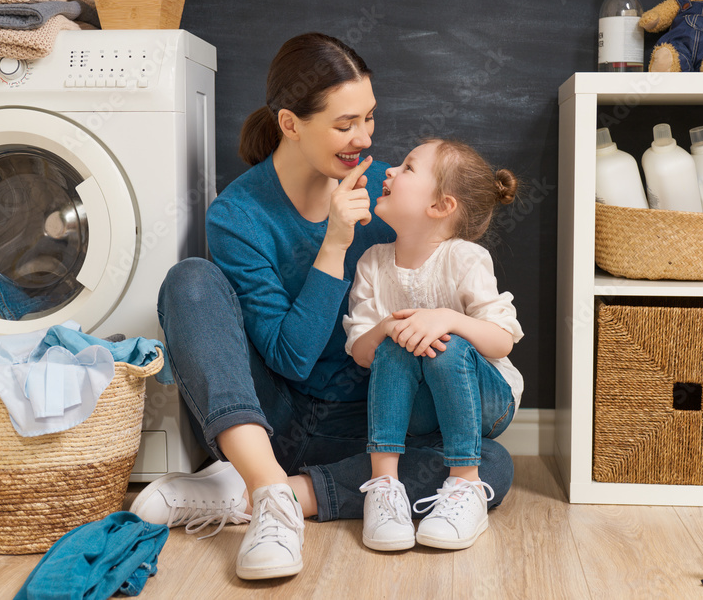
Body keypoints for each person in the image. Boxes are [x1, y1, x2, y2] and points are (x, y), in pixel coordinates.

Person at [129, 33, 515, 580]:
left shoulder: (389, 193)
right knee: (189, 281)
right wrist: (334, 244)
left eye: (370, 118)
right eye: (344, 125)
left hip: (371, 418)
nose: (363, 139)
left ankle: (261, 493)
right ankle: (267, 487)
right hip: (270, 414)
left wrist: (448, 336)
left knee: (489, 464)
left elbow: (453, 274)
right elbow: (292, 359)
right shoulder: (238, 215)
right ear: (290, 123)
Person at [344, 138, 522, 552]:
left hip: (487, 402)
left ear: (441, 206)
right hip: (421, 415)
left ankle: (464, 485)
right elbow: (360, 352)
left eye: (406, 168)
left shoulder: (465, 258)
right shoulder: (372, 261)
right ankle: (384, 490)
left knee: (449, 346)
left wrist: (449, 319)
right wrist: (388, 326)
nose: (387, 172)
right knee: (392, 342)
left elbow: (502, 341)